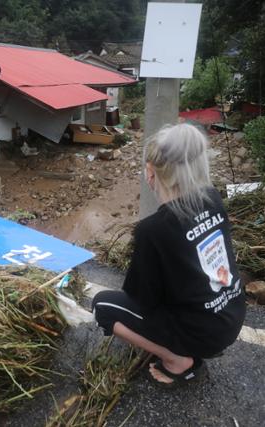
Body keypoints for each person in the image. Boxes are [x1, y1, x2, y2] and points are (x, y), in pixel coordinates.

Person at [92, 123, 246, 386]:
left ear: (150, 173)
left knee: (103, 307)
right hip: (232, 316)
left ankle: (178, 360)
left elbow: (142, 298)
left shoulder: (153, 229)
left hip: (203, 332)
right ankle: (189, 343)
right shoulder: (213, 198)